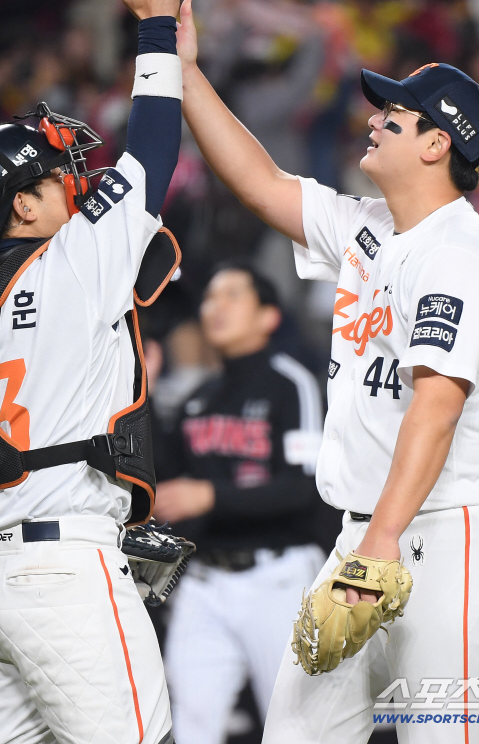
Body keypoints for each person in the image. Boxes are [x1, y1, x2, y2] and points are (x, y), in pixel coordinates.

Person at [175, 0, 479, 744]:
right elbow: (262, 183)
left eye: (395, 117)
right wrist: (184, 73)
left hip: (446, 532)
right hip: (369, 530)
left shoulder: (458, 254)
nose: (373, 118)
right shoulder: (369, 230)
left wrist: (381, 542)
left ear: (438, 145)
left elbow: (434, 410)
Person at [0, 0, 182, 744]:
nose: (76, 180)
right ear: (25, 210)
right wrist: (156, 35)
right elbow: (151, 149)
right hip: (58, 566)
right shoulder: (68, 262)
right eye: (56, 176)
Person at [153, 263, 325, 744]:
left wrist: (210, 495)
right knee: (189, 728)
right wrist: (141, 393)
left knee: (296, 731)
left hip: (279, 578)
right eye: (209, 297)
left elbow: (306, 490)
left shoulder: (291, 383)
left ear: (268, 315)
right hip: (205, 583)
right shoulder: (197, 398)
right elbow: (163, 482)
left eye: (233, 295)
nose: (216, 306)